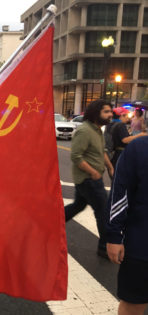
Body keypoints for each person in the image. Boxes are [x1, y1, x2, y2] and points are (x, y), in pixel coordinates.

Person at [64, 99, 114, 258]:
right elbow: (76, 156)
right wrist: (93, 172)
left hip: (90, 179)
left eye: (110, 111)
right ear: (95, 113)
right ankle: (104, 248)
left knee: (78, 205)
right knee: (103, 212)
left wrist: (110, 166)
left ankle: (51, 224)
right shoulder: (84, 131)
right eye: (106, 111)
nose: (110, 114)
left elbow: (102, 150)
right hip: (89, 180)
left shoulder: (98, 130)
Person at [106, 136, 148, 315]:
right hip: (142, 246)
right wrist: (114, 235)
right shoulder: (139, 148)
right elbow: (120, 193)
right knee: (133, 304)